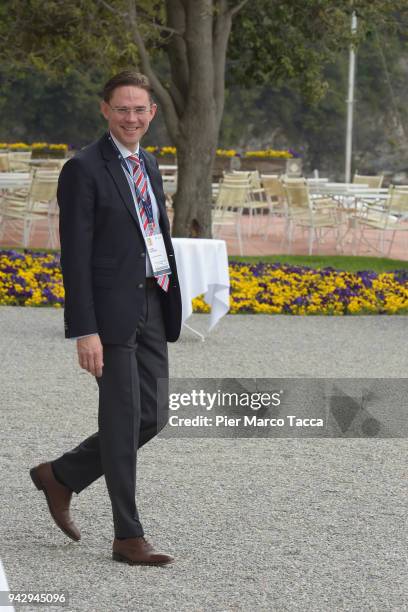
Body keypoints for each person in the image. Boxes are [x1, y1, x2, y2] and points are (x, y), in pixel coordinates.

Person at [30, 70, 182, 566]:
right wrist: (85, 330)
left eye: (140, 110)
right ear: (105, 110)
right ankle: (128, 537)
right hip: (110, 317)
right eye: (122, 109)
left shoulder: (151, 165)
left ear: (152, 114)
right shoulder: (83, 169)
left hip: (152, 304)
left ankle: (62, 475)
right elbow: (74, 257)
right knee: (120, 422)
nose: (131, 118)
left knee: (153, 415)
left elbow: (152, 231)